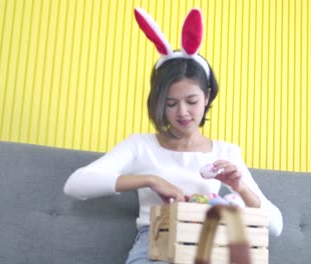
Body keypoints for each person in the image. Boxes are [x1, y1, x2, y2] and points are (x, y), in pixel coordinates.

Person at [63, 7, 283, 264]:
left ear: (208, 96)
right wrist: (150, 180)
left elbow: (276, 226)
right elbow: (76, 184)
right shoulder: (140, 146)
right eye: (170, 104)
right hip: (155, 244)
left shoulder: (226, 152)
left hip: (209, 246)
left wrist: (239, 187)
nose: (183, 113)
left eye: (191, 101)